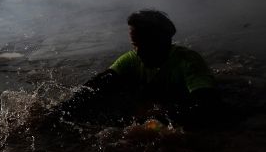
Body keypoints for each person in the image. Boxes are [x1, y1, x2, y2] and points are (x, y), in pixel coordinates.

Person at [50, 9, 219, 128]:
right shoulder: (131, 59)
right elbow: (96, 85)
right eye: (135, 45)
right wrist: (60, 111)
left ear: (163, 41)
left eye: (144, 45)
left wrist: (154, 119)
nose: (138, 52)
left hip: (175, 106)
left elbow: (205, 103)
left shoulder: (188, 61)